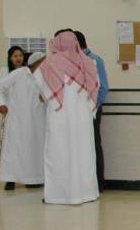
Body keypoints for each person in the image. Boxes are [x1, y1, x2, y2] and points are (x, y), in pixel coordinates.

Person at [34, 31, 100, 205]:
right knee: (84, 155)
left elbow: (40, 86)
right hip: (83, 120)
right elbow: (96, 87)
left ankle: (60, 195)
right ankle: (87, 193)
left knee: (60, 154)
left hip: (60, 118)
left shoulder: (49, 63)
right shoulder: (88, 63)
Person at [0, 51, 47, 190]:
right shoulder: (18, 74)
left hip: (37, 120)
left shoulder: (44, 76)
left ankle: (33, 179)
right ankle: (11, 179)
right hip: (17, 119)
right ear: (35, 63)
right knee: (15, 149)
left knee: (34, 149)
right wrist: (1, 104)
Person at [64, 30, 108, 191]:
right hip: (77, 111)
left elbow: (103, 88)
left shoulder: (95, 60)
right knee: (79, 146)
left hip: (92, 110)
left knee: (94, 144)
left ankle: (98, 183)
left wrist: (93, 107)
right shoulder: (71, 61)